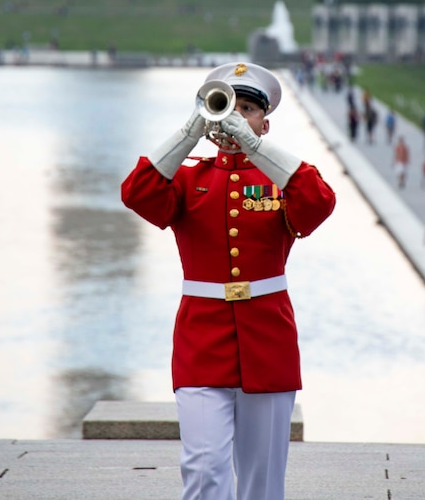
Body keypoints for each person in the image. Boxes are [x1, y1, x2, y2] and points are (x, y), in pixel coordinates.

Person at [121, 62, 336, 500]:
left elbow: (318, 200)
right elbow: (137, 192)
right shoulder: (188, 177)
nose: (237, 115)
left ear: (265, 121)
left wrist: (255, 149)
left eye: (249, 108)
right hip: (202, 340)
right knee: (203, 470)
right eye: (227, 105)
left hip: (267, 340)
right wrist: (190, 131)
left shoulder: (278, 181)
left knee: (262, 482)